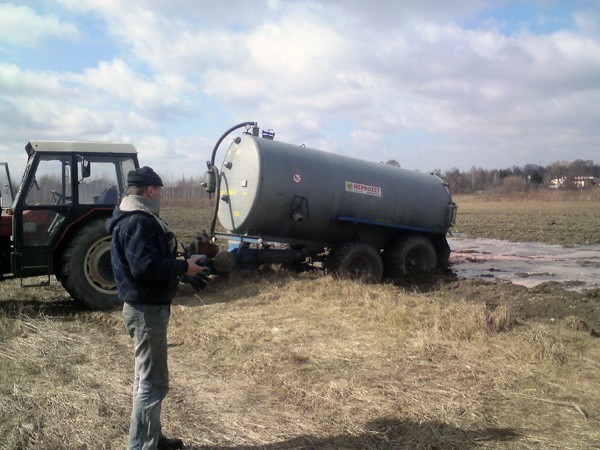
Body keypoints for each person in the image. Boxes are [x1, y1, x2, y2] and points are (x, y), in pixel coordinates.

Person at [107, 166, 207, 450]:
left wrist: (182, 263)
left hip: (142, 308)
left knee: (146, 378)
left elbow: (147, 261)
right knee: (153, 383)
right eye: (160, 190)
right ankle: (142, 446)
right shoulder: (139, 221)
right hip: (146, 311)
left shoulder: (130, 217)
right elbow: (144, 267)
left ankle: (151, 438)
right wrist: (182, 267)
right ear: (150, 190)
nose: (161, 195)